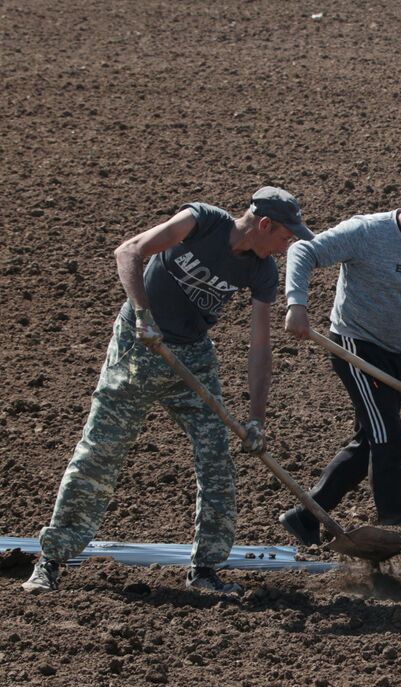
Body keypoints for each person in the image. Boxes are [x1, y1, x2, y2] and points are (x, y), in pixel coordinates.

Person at [24, 188, 315, 595]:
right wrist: (142, 316)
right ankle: (51, 560)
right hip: (138, 346)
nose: (287, 247)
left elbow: (260, 347)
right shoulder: (201, 221)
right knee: (99, 453)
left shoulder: (261, 272)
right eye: (286, 237)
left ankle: (206, 570)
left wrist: (256, 419)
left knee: (217, 458)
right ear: (264, 225)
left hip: (192, 358)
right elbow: (129, 252)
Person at [279, 164, 401, 546]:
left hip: (395, 354)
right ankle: (394, 527)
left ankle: (306, 516)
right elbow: (303, 250)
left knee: (370, 442)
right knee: (389, 436)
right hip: (354, 345)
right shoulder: (367, 232)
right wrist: (296, 304)